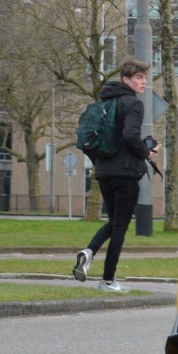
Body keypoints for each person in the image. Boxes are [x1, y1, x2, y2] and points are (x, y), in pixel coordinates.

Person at [72, 59, 160, 292]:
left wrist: (102, 164)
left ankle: (89, 252)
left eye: (144, 77)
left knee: (114, 221)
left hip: (104, 172)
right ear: (126, 80)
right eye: (138, 78)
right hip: (126, 174)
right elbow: (131, 135)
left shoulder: (104, 104)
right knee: (121, 226)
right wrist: (146, 152)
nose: (143, 82)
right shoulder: (133, 104)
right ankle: (108, 280)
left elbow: (93, 142)